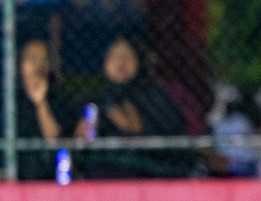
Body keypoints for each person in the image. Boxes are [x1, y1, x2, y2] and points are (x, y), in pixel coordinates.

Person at [75, 35, 191, 180]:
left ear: (138, 62)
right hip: (104, 174)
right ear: (104, 62)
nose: (121, 61)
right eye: (114, 55)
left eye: (127, 56)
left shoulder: (153, 95)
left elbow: (167, 134)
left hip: (153, 172)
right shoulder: (96, 101)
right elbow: (83, 142)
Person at [0, 39, 70, 181]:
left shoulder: (56, 95)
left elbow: (55, 143)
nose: (38, 65)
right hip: (3, 173)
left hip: (44, 174)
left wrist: (41, 103)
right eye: (32, 58)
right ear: (19, 63)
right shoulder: (3, 93)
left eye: (44, 59)